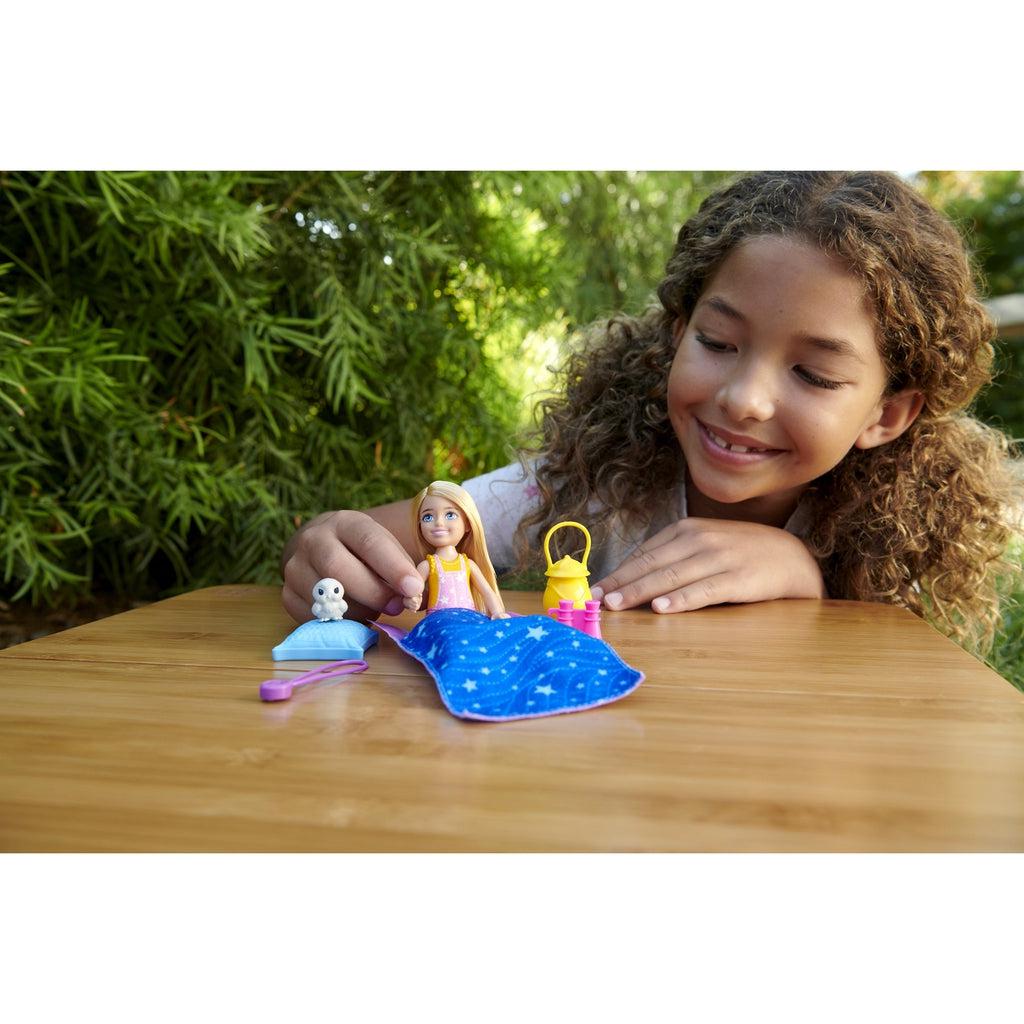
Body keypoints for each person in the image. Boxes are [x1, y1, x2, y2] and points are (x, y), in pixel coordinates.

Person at [280, 171, 1021, 656]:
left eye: (814, 373)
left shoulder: (899, 547)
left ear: (887, 415)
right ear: (677, 334)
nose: (744, 398)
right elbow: (403, 533)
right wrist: (331, 545)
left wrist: (808, 580)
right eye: (718, 341)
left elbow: (904, 710)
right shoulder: (589, 484)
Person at [408, 480, 507, 618]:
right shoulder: (427, 566)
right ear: (420, 527)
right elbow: (412, 591)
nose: (439, 523)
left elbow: (487, 592)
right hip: (439, 619)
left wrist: (498, 612)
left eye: (450, 515)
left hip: (468, 617)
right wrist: (411, 599)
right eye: (428, 517)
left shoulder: (468, 565)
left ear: (467, 524)